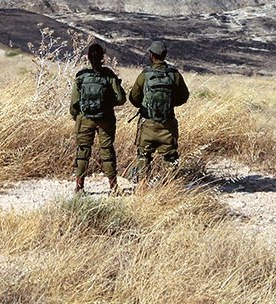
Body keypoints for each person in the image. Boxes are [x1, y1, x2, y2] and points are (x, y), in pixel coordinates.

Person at [128, 39, 189, 187]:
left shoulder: (145, 75)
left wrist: (146, 107)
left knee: (143, 156)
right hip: (168, 124)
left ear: (151, 55)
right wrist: (168, 105)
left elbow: (133, 97)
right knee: (171, 157)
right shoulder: (174, 75)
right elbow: (184, 96)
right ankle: (170, 188)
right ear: (165, 55)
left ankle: (142, 188)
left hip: (147, 124)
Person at [69, 41, 126, 194]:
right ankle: (113, 187)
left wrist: (79, 118)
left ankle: (79, 187)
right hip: (106, 119)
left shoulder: (81, 76)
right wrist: (107, 104)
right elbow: (121, 98)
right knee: (107, 151)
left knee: (82, 152)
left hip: (84, 119)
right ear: (102, 57)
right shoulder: (108, 75)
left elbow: (74, 103)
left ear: (88, 58)